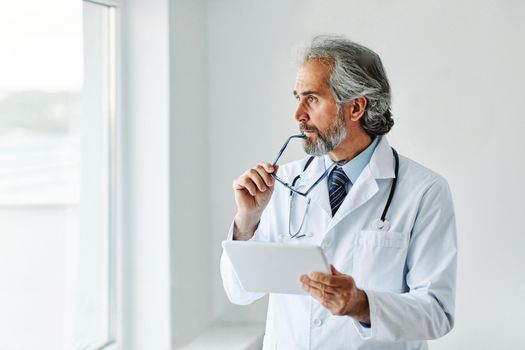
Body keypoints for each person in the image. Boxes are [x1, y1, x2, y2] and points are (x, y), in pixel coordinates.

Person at [220, 34, 457, 350]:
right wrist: (247, 221)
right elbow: (239, 292)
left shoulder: (424, 192)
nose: (298, 115)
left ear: (356, 107)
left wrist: (362, 304)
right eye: (297, 98)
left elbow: (437, 312)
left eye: (312, 99)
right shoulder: (282, 185)